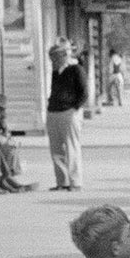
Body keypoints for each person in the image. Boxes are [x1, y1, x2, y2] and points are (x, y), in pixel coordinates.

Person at [46, 39, 88, 190]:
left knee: (72, 147)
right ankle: (62, 181)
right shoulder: (55, 72)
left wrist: (74, 108)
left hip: (69, 112)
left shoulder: (76, 69)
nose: (53, 60)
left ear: (64, 55)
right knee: (56, 149)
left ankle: (75, 181)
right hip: (54, 111)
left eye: (55, 56)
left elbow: (84, 93)